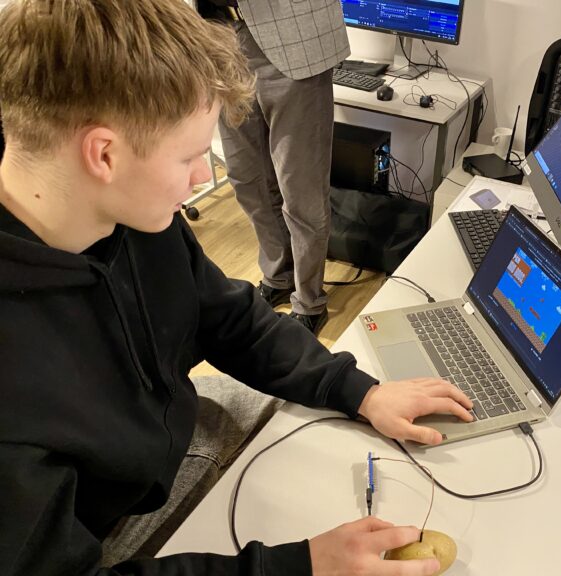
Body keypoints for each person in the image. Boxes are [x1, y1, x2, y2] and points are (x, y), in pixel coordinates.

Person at [0, 1, 473, 575]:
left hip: (160, 446)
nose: (205, 177)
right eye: (191, 157)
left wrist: (359, 392)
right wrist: (299, 568)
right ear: (104, 154)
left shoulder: (131, 218)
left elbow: (227, 318)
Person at [196, 0, 349, 334]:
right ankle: (278, 275)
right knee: (246, 177)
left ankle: (309, 300)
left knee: (301, 187)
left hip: (292, 35)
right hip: (219, 33)